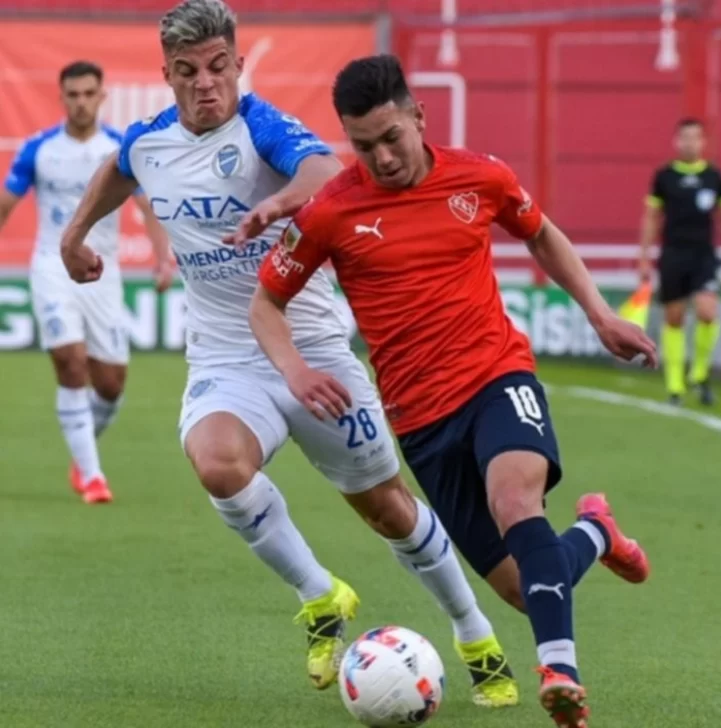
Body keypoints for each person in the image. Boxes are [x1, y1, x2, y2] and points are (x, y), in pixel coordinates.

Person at [59, 0, 520, 708]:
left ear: (238, 65)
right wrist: (75, 235)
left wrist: (276, 208)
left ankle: (474, 634)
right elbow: (120, 170)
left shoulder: (262, 127)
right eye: (187, 72)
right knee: (217, 463)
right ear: (167, 75)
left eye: (218, 67)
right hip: (226, 361)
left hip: (312, 350)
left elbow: (321, 170)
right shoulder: (150, 142)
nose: (205, 83)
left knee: (387, 509)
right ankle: (321, 596)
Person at [251, 54, 658, 728]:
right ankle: (595, 531)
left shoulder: (482, 176)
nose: (381, 157)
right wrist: (296, 370)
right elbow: (266, 304)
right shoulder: (330, 211)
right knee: (529, 589)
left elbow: (542, 234)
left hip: (497, 375)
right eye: (363, 145)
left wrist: (600, 314)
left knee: (514, 497)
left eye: (391, 137)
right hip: (420, 421)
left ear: (418, 117)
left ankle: (559, 667)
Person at [0, 60, 173, 504]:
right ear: (62, 98)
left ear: (102, 96)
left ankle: (83, 453)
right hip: (51, 267)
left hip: (104, 273)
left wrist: (161, 258)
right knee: (70, 363)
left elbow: (148, 206)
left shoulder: (120, 148)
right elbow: (6, 203)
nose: (80, 102)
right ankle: (94, 478)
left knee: (111, 385)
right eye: (72, 95)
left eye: (88, 94)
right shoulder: (39, 149)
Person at [639, 117, 721, 406]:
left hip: (703, 255)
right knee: (674, 317)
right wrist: (644, 256)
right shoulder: (665, 176)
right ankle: (675, 385)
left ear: (703, 142)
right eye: (685, 138)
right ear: (677, 141)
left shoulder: (714, 177)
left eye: (695, 138)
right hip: (673, 256)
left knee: (707, 311)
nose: (690, 143)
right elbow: (652, 217)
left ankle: (699, 372)